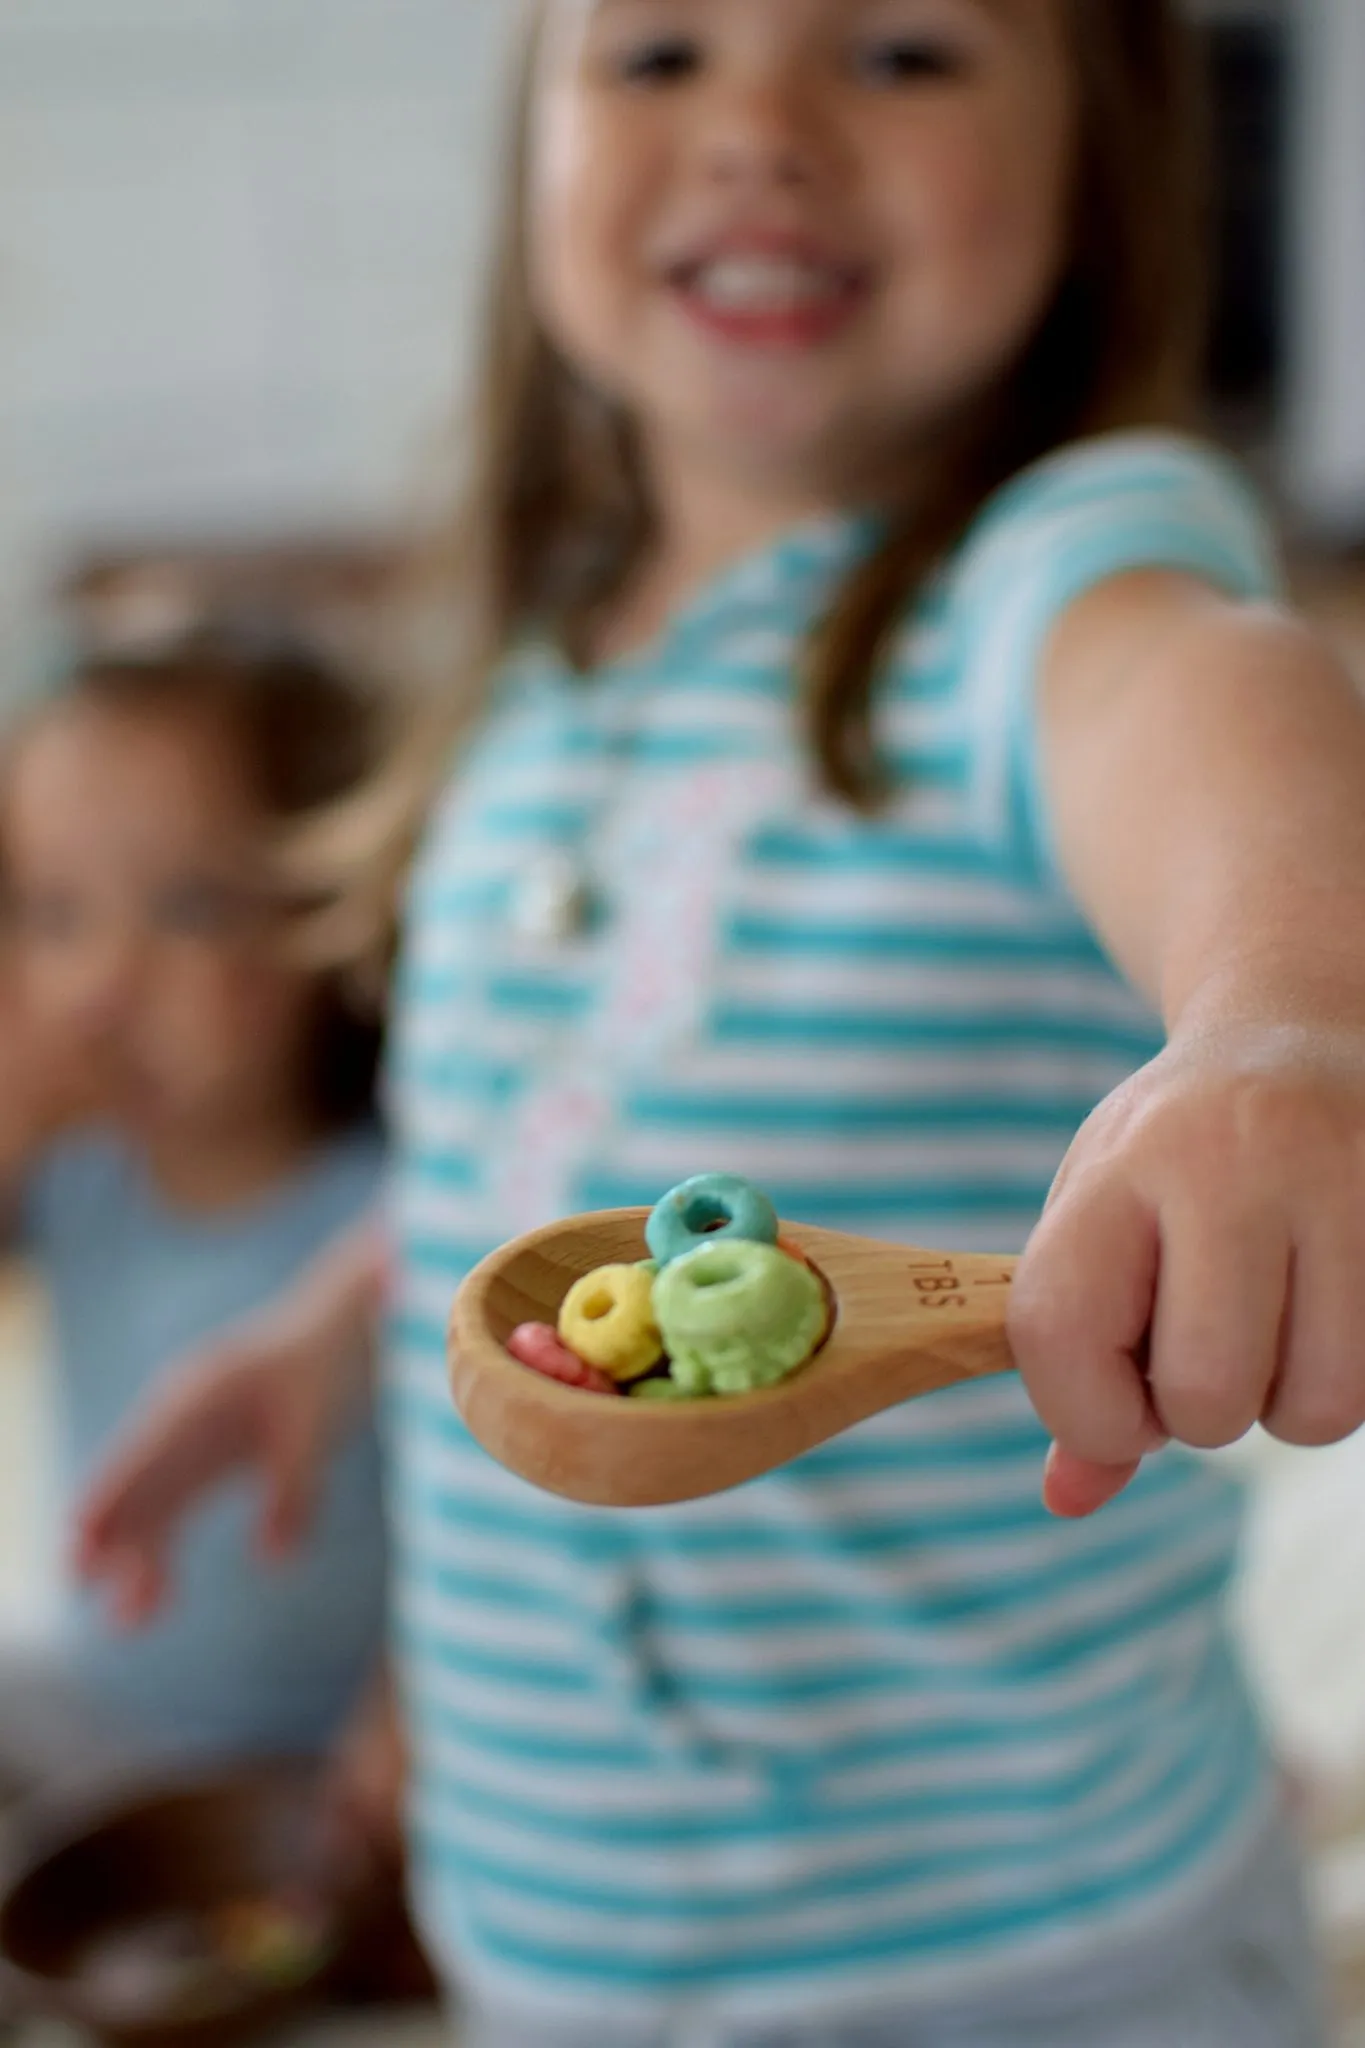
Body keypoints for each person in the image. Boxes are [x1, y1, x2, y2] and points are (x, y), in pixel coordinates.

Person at [75, 0, 1365, 2039]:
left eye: (903, 52)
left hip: (1006, 1960)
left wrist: (1284, 1017)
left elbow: (1197, 701)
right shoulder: (540, 676)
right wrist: (351, 1320)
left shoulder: (1036, 586)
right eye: (657, 52)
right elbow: (542, 1144)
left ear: (1101, 144)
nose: (758, 124)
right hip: (558, 1947)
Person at [0, 623, 390, 1779]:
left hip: (339, 1760)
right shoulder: (71, 1170)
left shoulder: (385, 1210)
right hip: (111, 1707)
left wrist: (404, 1716)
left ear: (333, 913)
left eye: (188, 908)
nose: (104, 984)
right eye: (53, 913)